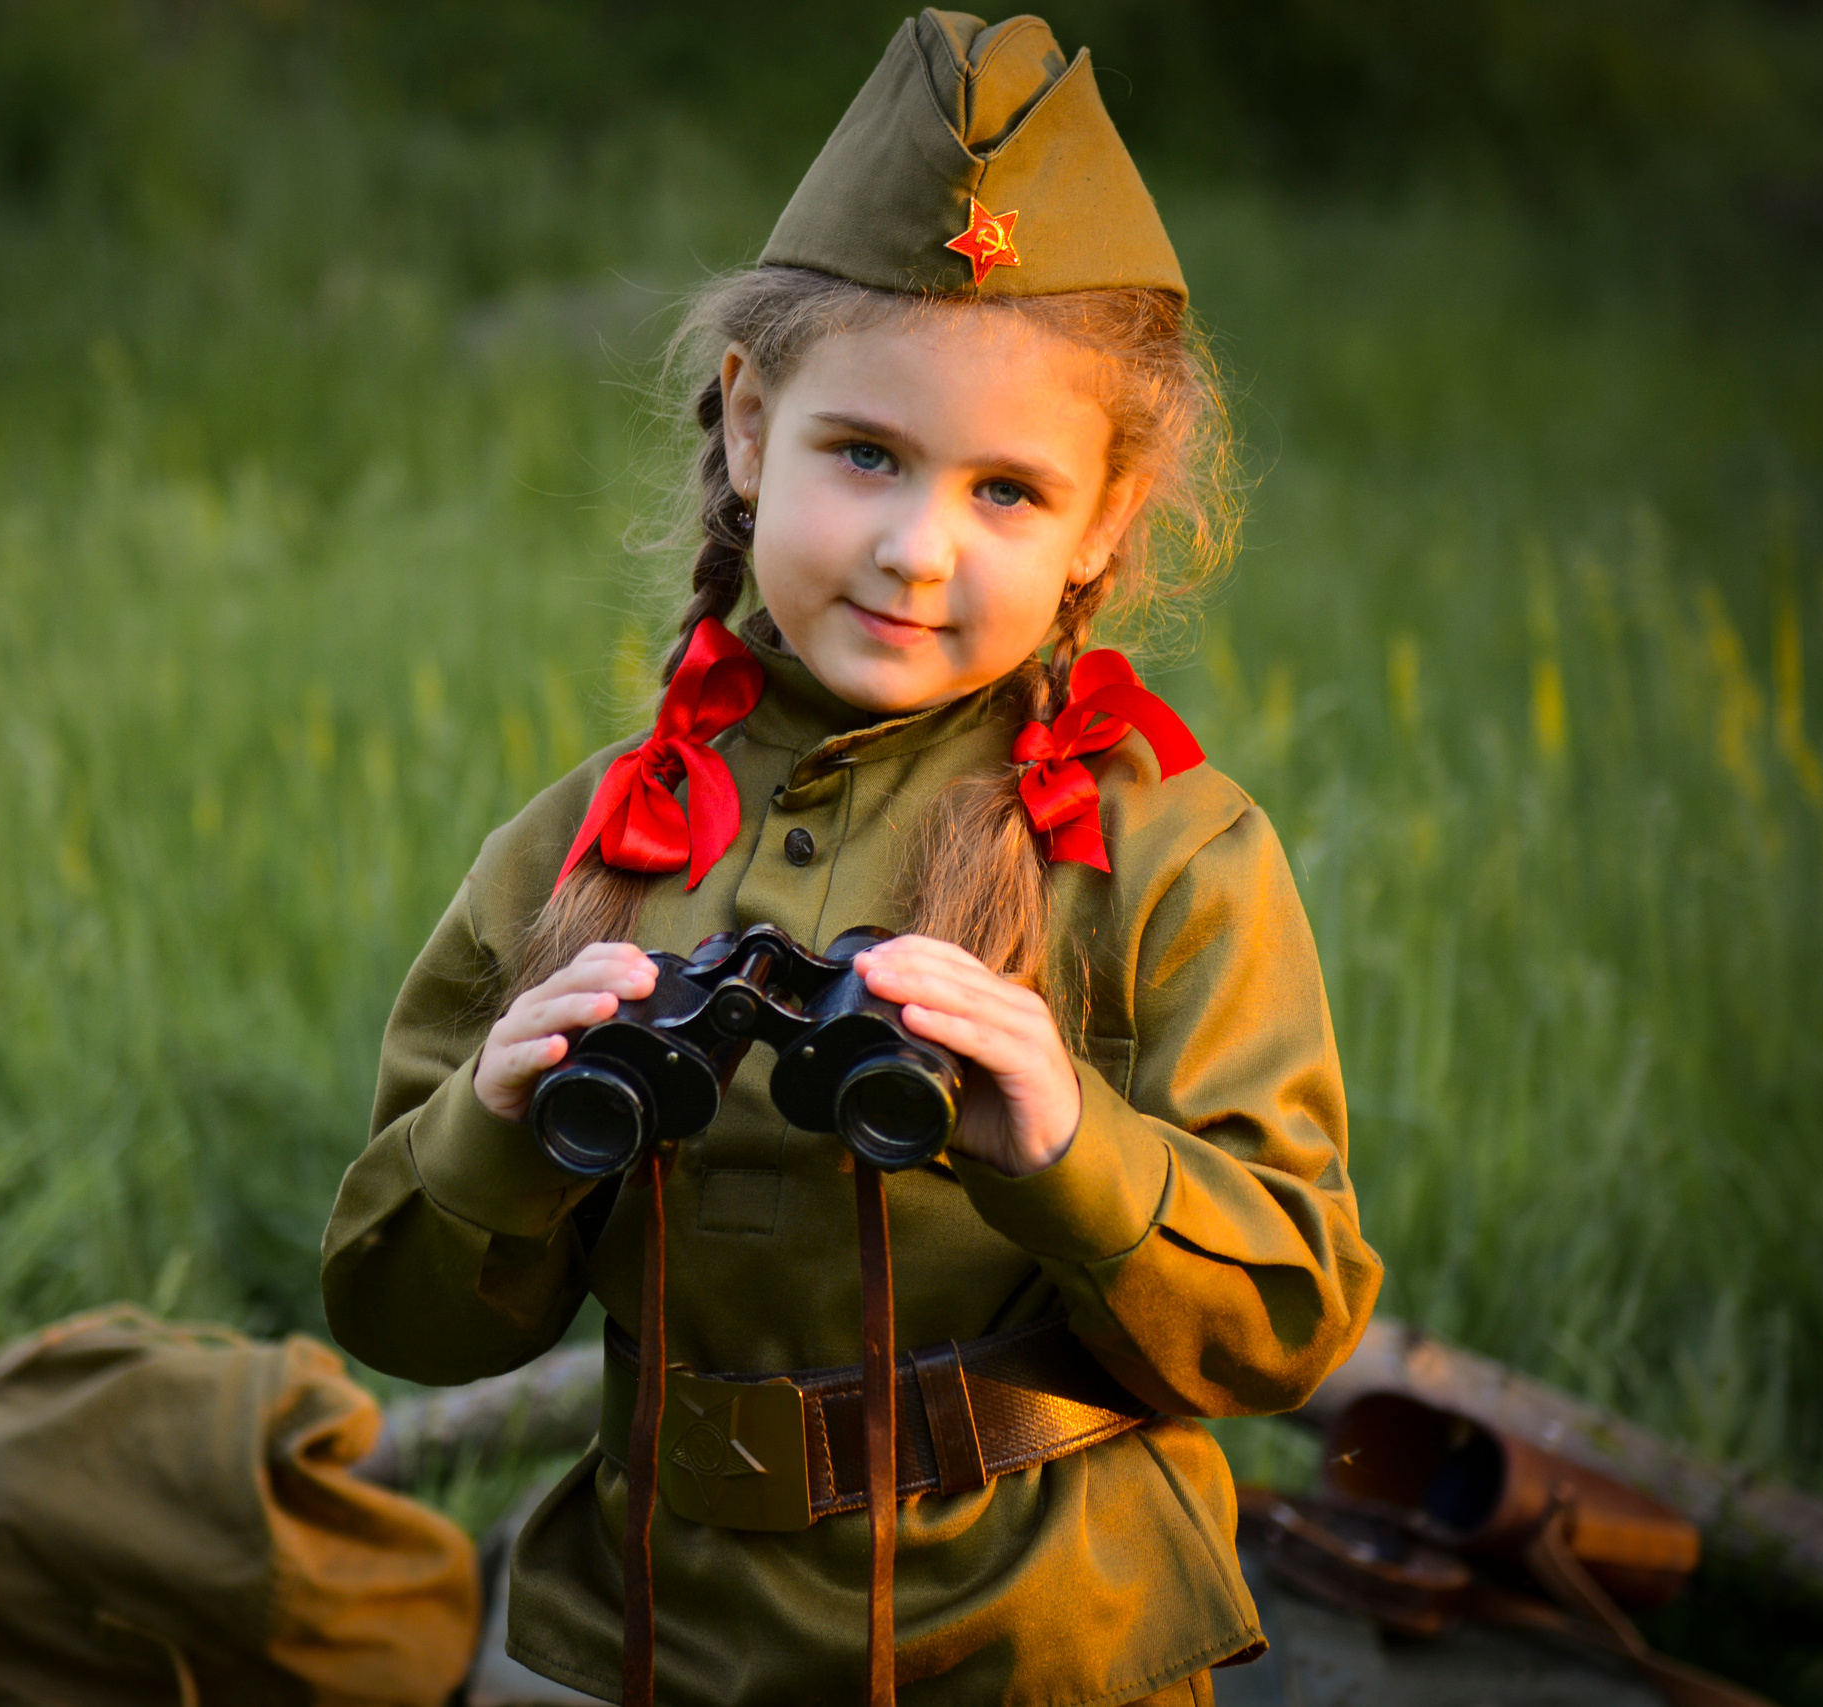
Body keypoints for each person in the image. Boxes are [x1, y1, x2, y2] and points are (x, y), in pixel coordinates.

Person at [322, 11, 1383, 1705]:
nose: (915, 548)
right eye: (865, 455)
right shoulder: (587, 846)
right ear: (750, 427)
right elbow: (400, 1314)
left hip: (1054, 1650)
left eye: (1008, 494)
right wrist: (497, 1133)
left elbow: (1288, 1320)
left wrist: (1063, 1141)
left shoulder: (1166, 853)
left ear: (1108, 519)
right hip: (664, 1646)